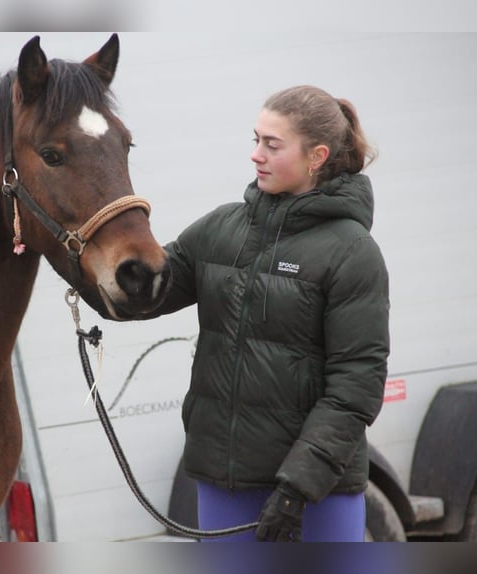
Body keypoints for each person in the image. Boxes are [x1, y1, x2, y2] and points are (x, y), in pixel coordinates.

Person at [150, 85, 390, 542]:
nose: (255, 155)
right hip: (223, 484)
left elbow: (355, 386)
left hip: (314, 496)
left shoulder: (353, 252)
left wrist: (296, 488)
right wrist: (82, 254)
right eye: (255, 139)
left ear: (316, 156)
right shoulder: (222, 228)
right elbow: (147, 290)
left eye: (271, 145)